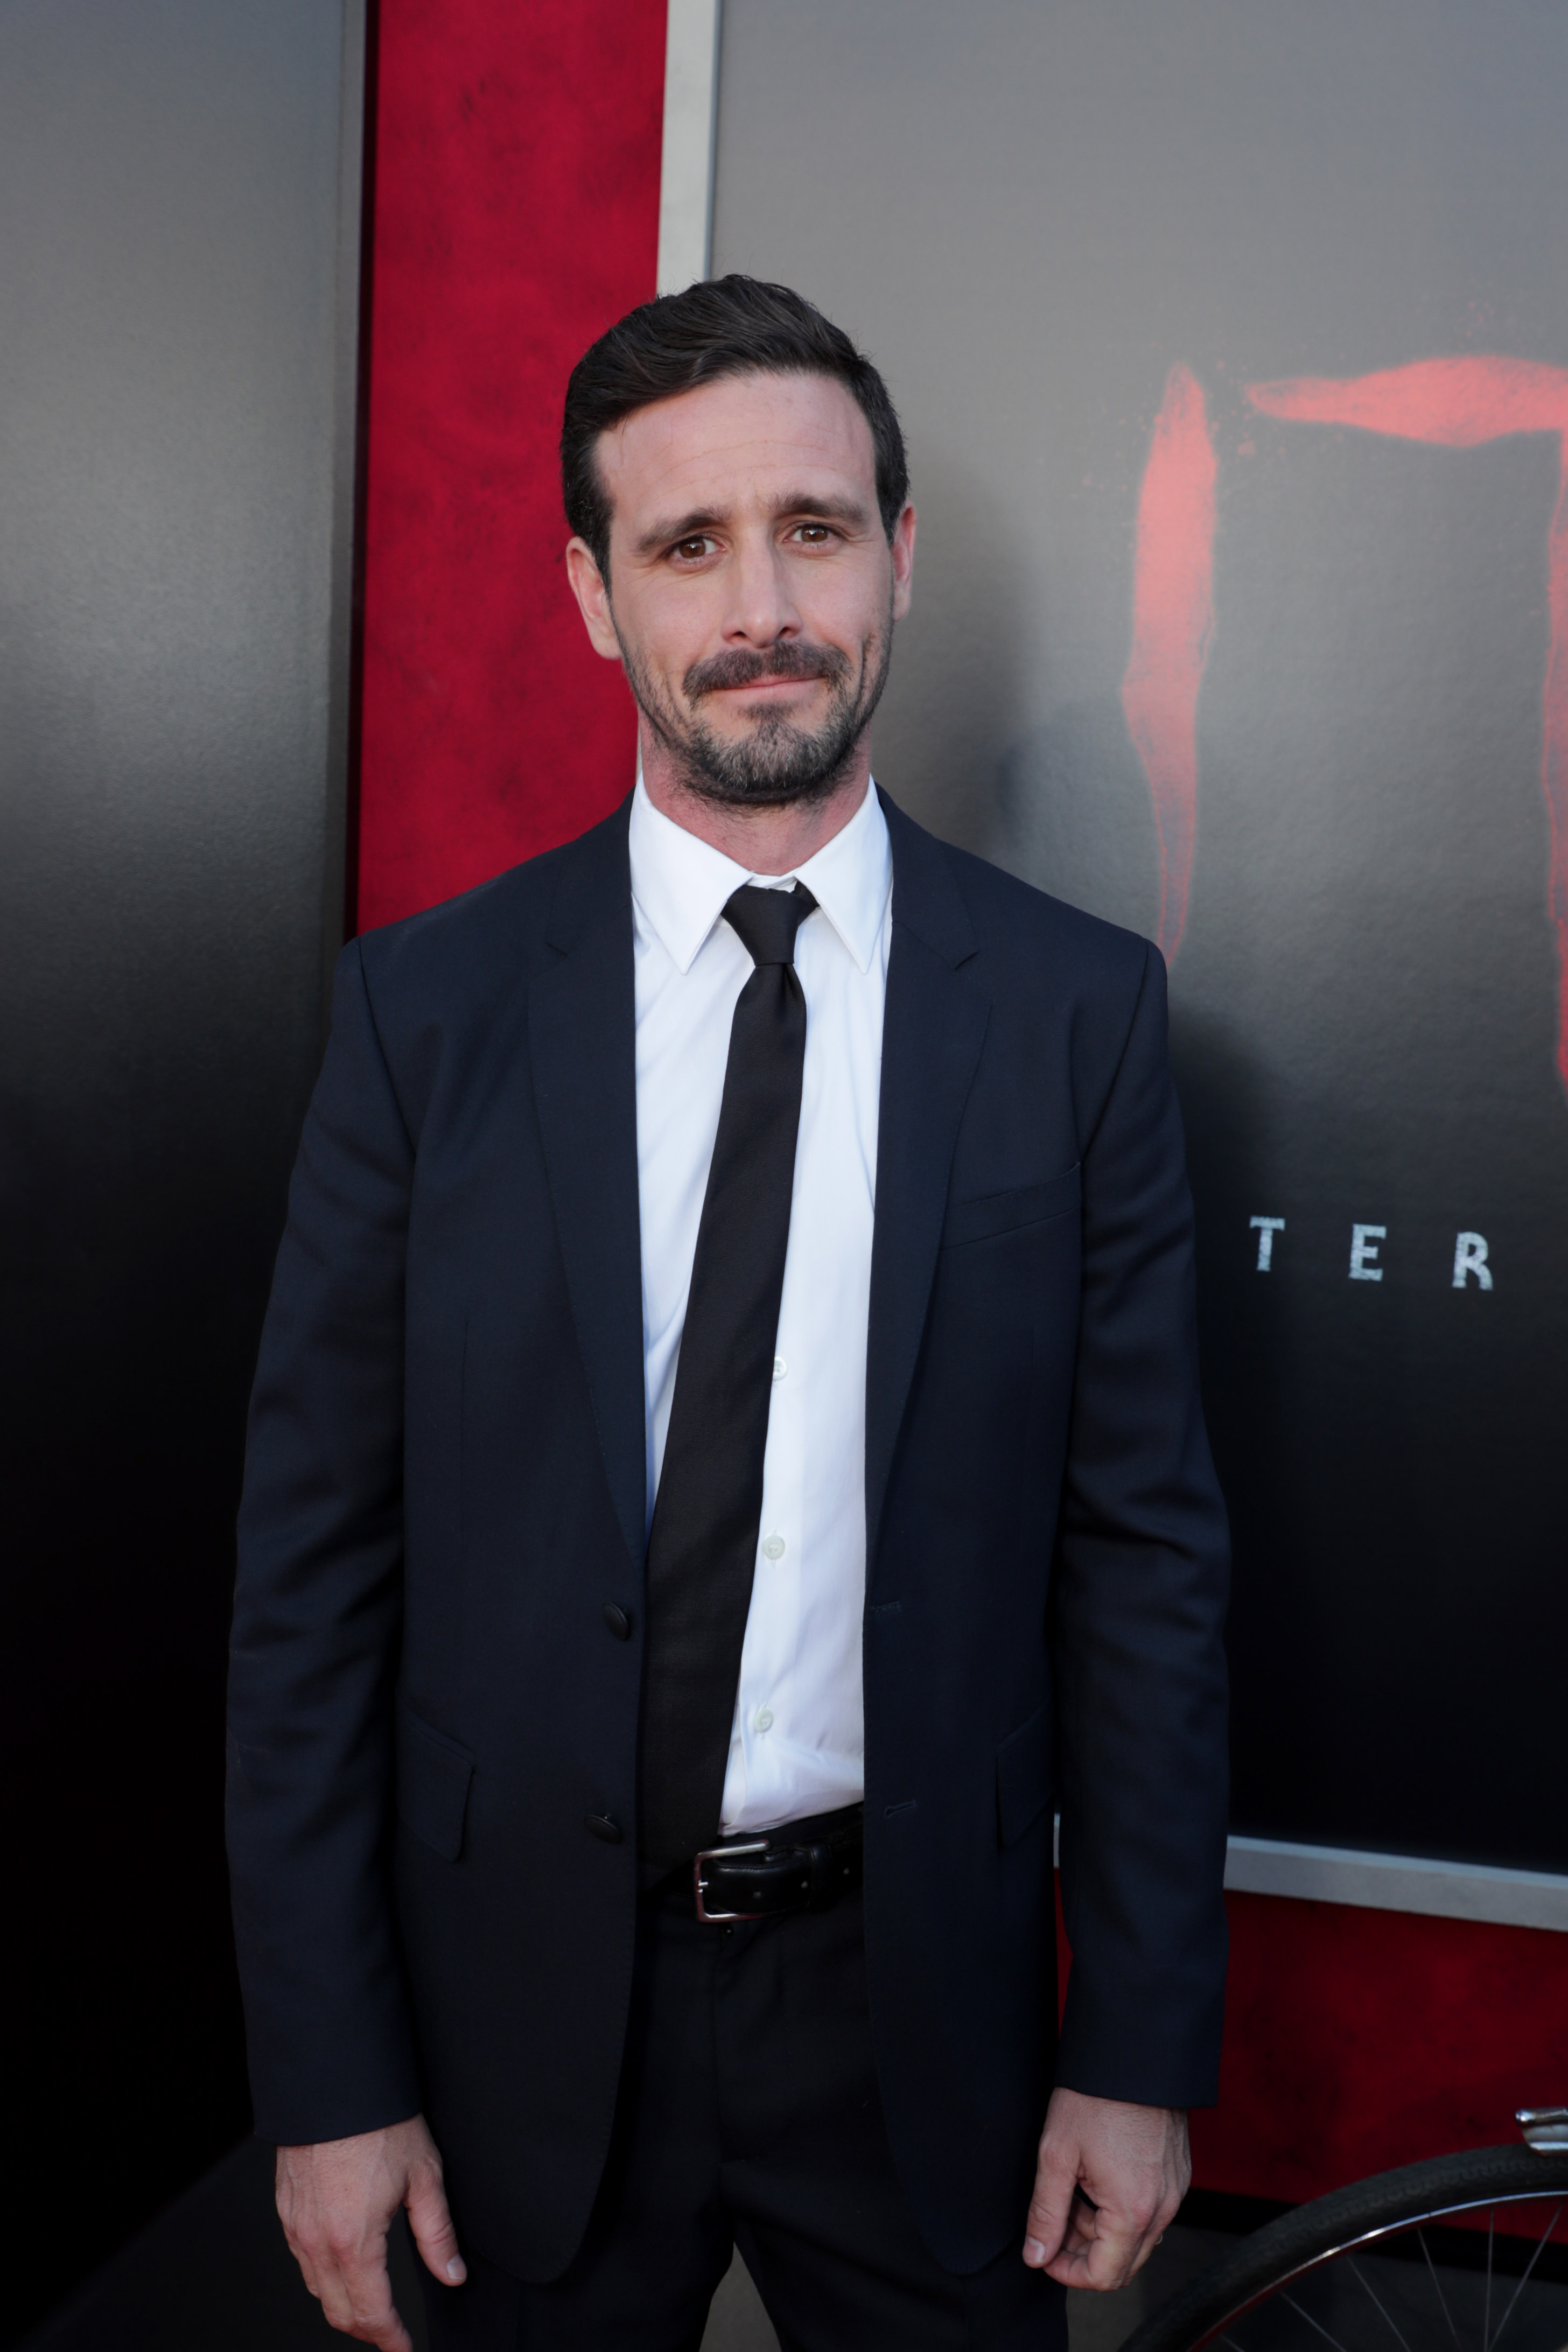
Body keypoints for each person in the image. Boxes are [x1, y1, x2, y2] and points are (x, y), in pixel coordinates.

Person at [227, 274, 1230, 2352]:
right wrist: (330, 2081)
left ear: (901, 558)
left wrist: (1137, 2046)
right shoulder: (424, 1023)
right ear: (597, 597)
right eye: (687, 544)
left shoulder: (1076, 1015)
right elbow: (310, 1583)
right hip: (510, 2016)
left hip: (921, 2015)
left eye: (815, 528)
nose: (761, 602)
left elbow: (1144, 1566)